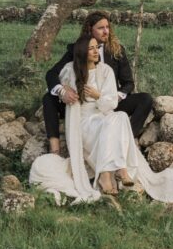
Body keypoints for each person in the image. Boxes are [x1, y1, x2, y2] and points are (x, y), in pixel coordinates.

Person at [30, 35, 173, 203]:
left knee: (121, 116)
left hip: (102, 115)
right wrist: (63, 89)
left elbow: (110, 105)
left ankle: (111, 173)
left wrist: (98, 96)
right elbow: (52, 84)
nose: (97, 51)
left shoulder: (106, 71)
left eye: (97, 47)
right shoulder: (69, 70)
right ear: (82, 52)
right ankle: (117, 170)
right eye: (91, 48)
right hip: (82, 122)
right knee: (113, 121)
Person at [42, 11, 153, 154]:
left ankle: (125, 141)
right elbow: (52, 73)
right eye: (101, 28)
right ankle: (55, 149)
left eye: (107, 27)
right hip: (80, 106)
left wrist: (113, 96)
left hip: (108, 103)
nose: (106, 31)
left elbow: (128, 83)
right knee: (48, 98)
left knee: (145, 99)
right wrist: (62, 91)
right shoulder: (77, 50)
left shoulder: (116, 50)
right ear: (90, 29)